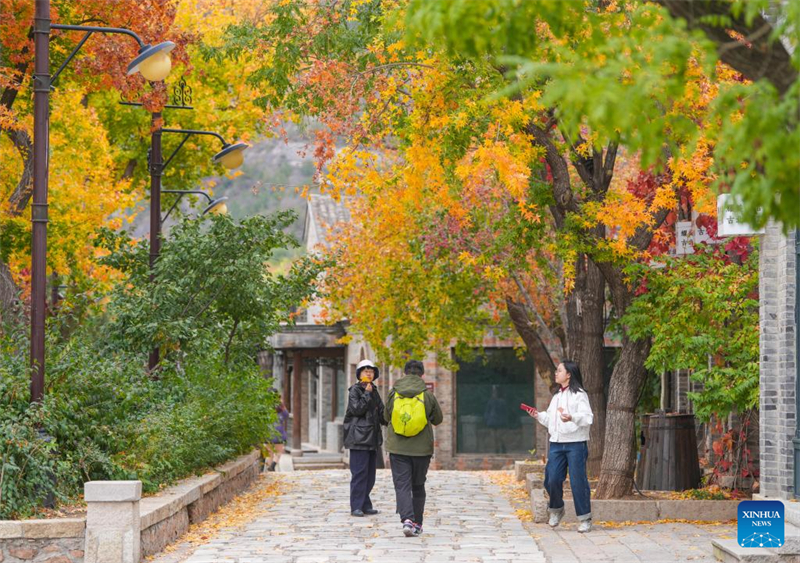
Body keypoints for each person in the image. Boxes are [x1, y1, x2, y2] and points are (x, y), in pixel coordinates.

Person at [527, 360, 594, 533]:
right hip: (556, 443)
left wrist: (571, 417)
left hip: (576, 444)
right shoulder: (556, 396)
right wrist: (538, 415)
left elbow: (588, 418)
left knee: (578, 481)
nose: (556, 373)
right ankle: (556, 510)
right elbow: (551, 420)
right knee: (552, 479)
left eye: (559, 371)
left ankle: (585, 518)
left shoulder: (580, 395)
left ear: (569, 374)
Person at [383, 359, 443, 537]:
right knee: (418, 485)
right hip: (421, 450)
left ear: (405, 372)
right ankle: (417, 523)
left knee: (402, 485)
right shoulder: (427, 394)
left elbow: (386, 417)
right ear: (422, 374)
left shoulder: (394, 393)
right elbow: (438, 419)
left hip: (398, 448)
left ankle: (407, 519)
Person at [343, 359, 386, 517]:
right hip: (359, 439)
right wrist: (367, 394)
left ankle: (365, 504)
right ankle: (356, 506)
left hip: (372, 439)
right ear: (359, 374)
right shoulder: (355, 390)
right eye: (365, 370)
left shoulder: (374, 390)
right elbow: (356, 409)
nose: (369, 373)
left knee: (370, 475)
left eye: (371, 371)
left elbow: (381, 413)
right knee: (359, 474)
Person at [265, 400, 289, 472]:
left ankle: (270, 470)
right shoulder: (281, 412)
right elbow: (287, 415)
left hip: (268, 434)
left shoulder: (266, 410)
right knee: (278, 452)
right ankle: (273, 464)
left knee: (269, 454)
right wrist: (282, 404)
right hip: (279, 434)